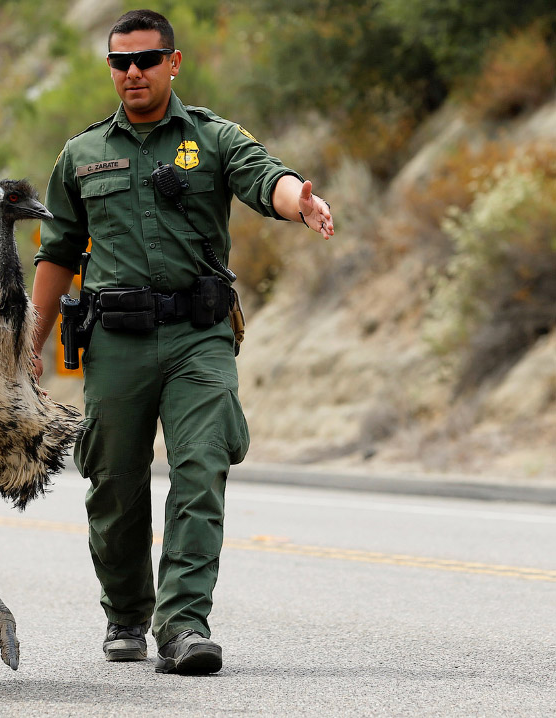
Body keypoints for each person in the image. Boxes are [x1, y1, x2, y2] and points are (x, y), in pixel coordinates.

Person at [31, 9, 334, 675]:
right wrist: (31, 345)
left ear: (174, 62)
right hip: (117, 340)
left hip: (200, 337)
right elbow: (56, 252)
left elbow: (265, 176)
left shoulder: (212, 137)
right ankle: (127, 611)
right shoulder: (81, 155)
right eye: (120, 62)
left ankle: (184, 623)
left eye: (146, 59)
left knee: (201, 469)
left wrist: (298, 200)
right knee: (113, 482)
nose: (132, 72)